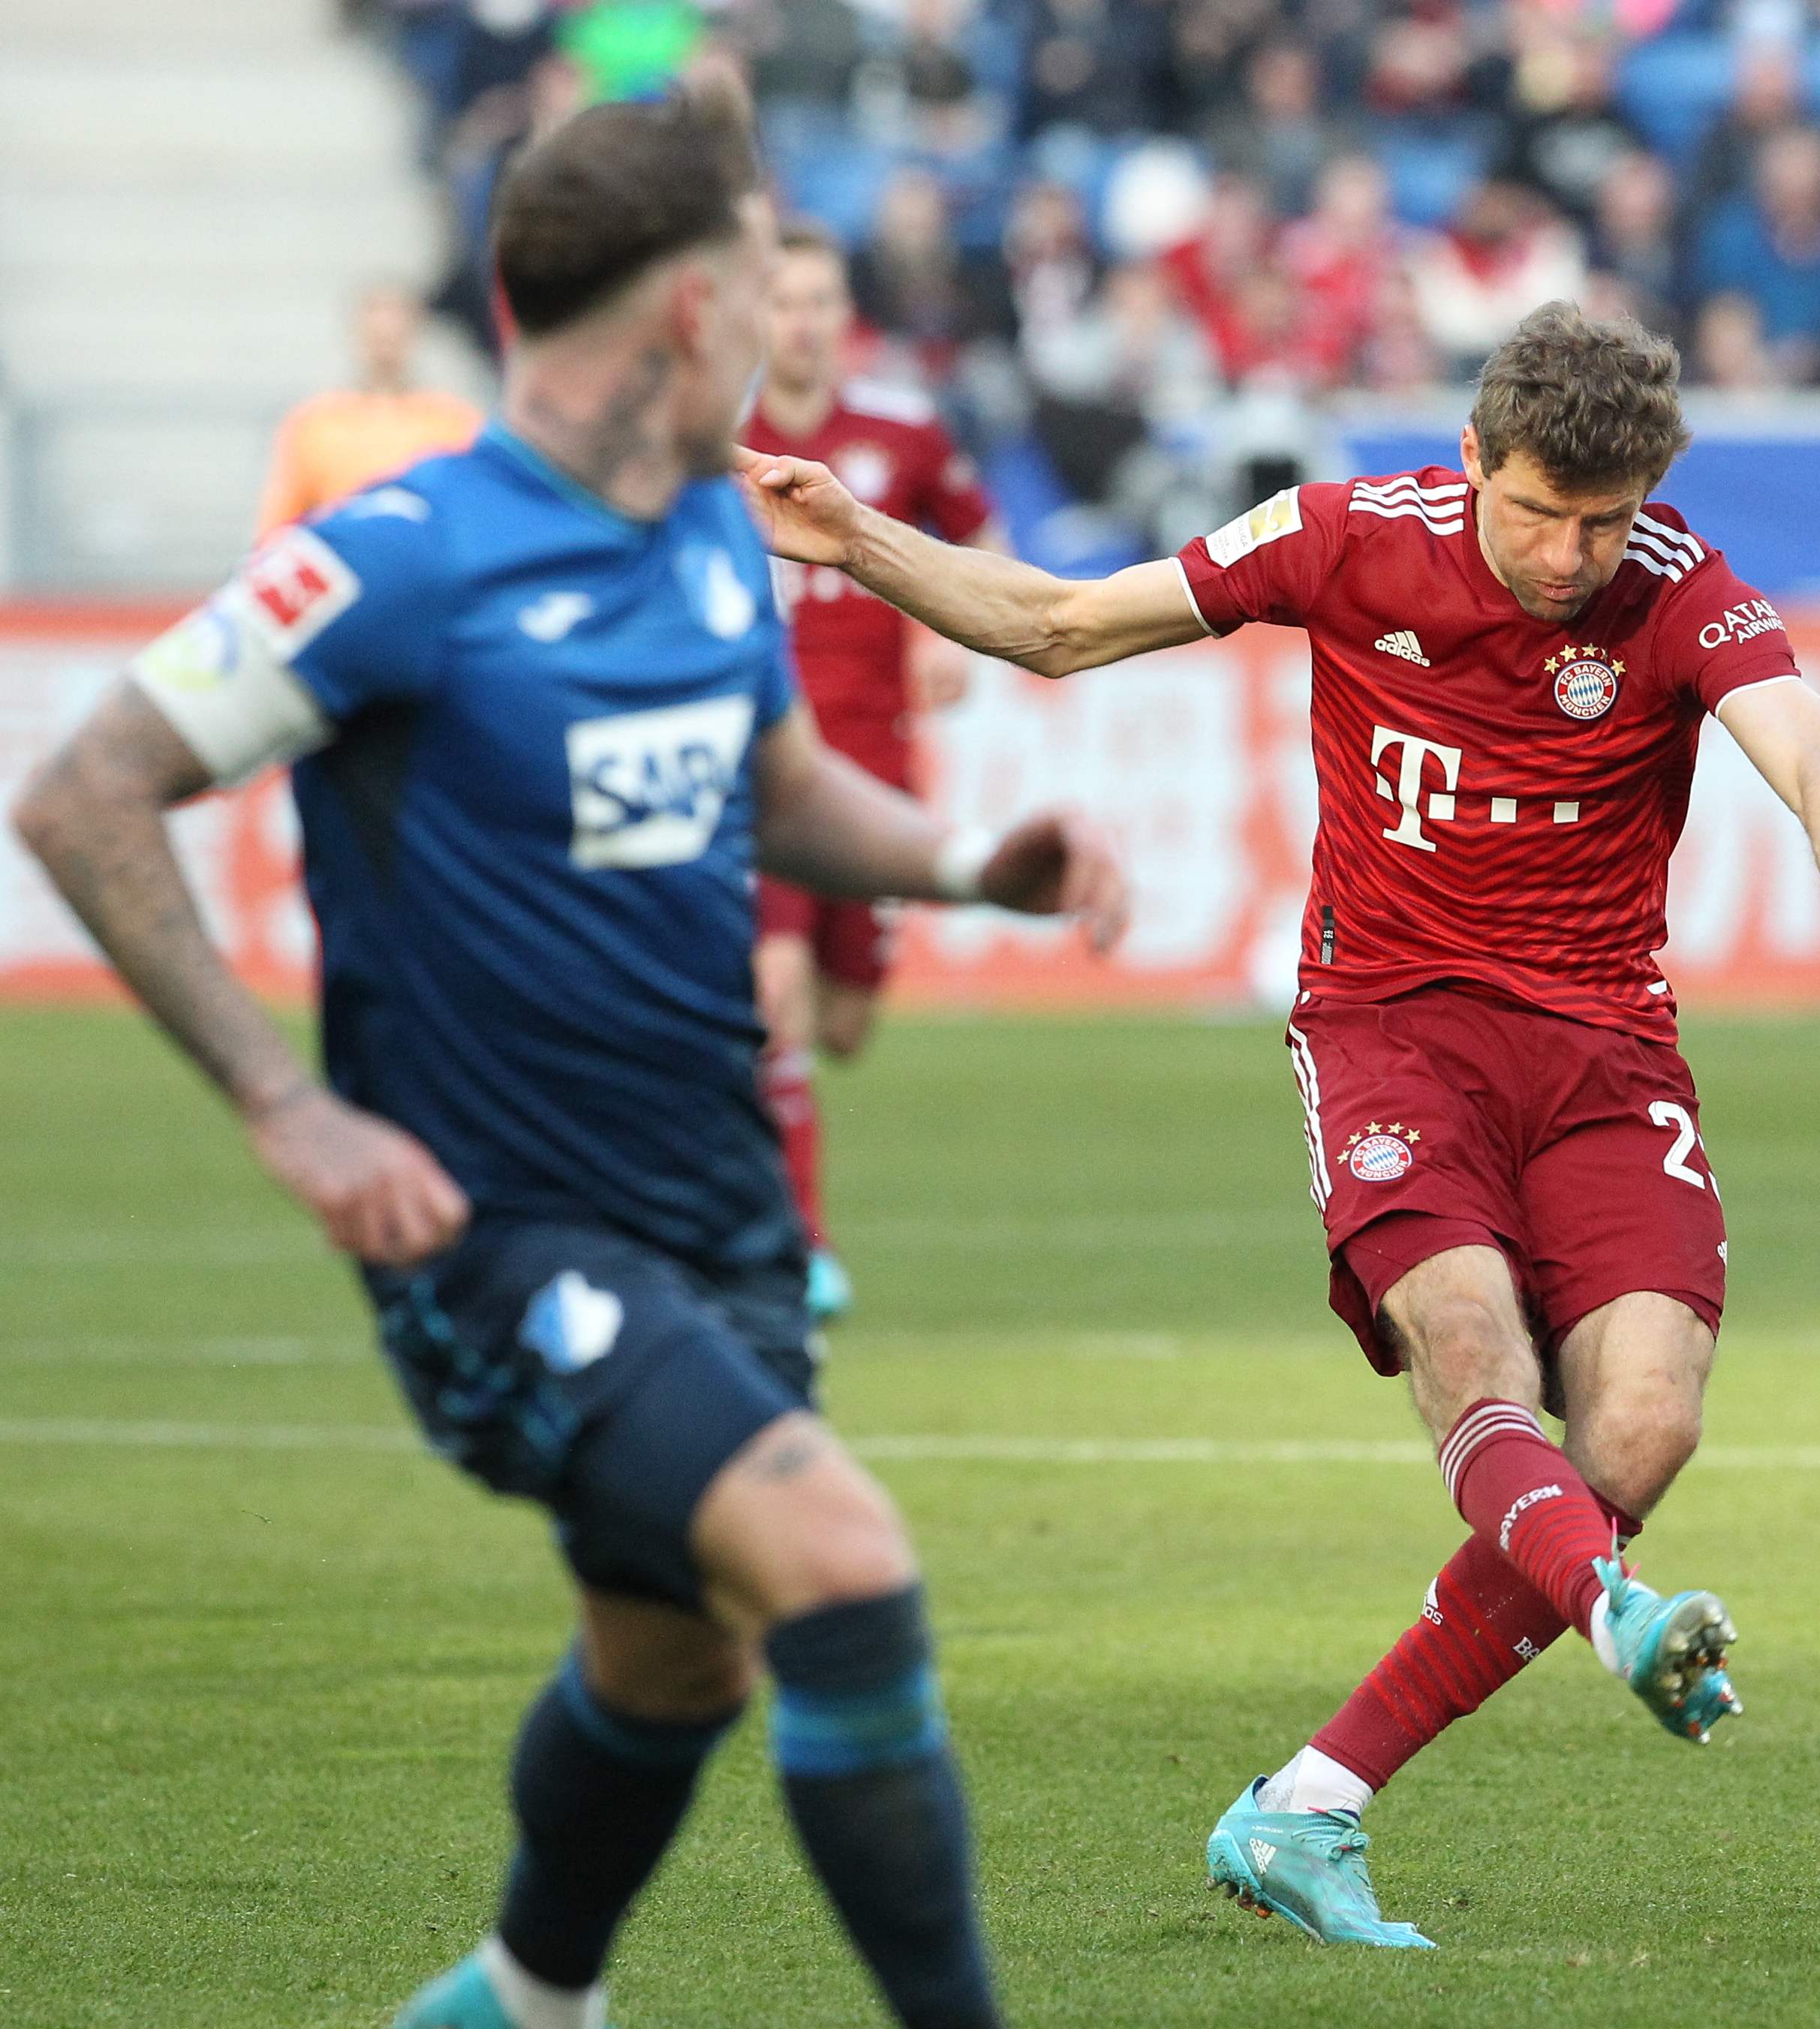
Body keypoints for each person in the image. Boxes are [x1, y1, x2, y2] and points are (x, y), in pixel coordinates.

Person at [10, 88, 1130, 2029]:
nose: (791, 322)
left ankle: (519, 2001)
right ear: (694, 316)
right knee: (840, 1572)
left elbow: (767, 781)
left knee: (671, 1663)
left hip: (713, 1201)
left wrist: (967, 866)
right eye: (757, 281)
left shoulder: (711, 530)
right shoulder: (403, 560)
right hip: (498, 1229)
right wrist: (286, 1105)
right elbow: (87, 789)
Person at [735, 300, 1820, 1949]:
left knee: (1647, 1426)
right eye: (1535, 512)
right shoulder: (1346, 536)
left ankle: (1308, 1802)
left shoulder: (1680, 582)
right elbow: (1059, 625)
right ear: (1469, 463)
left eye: (1603, 519)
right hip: (1390, 1030)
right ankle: (1615, 1609)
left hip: (1607, 1053)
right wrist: (857, 534)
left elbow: (1815, 755)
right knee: (1470, 1339)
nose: (1570, 554)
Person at [742, 221, 1009, 1321]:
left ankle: (743, 1135)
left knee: (843, 1025)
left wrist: (949, 634)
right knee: (776, 997)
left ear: (843, 315)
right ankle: (801, 1248)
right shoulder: (719, 439)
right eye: (782, 300)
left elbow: (983, 540)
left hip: (876, 773)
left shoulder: (903, 430)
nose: (800, 322)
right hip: (759, 768)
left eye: (818, 300)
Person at [254, 281, 483, 537]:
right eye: (377, 338)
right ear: (357, 335)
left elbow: (472, 510)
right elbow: (279, 525)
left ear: (413, 335)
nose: (385, 350)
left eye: (394, 338)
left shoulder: (455, 421)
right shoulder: (313, 423)